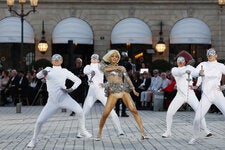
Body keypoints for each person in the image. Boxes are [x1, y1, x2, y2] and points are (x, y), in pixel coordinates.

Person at [27, 54, 92, 148]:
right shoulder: (48, 69)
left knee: (80, 111)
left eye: (58, 59)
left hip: (64, 98)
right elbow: (38, 76)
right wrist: (43, 72)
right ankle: (34, 139)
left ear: (61, 61)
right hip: (52, 102)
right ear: (52, 60)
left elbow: (78, 80)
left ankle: (82, 130)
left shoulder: (64, 71)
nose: (56, 60)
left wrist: (71, 89)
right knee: (40, 121)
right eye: (54, 59)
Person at [95, 49, 148, 140]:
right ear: (109, 57)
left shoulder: (122, 68)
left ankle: (143, 132)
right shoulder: (105, 66)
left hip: (123, 90)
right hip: (113, 92)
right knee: (105, 114)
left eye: (117, 56)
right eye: (113, 56)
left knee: (133, 110)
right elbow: (103, 69)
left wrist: (133, 89)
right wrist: (117, 68)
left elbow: (127, 78)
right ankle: (99, 133)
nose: (115, 58)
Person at [162, 56, 211, 139]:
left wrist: (200, 72)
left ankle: (206, 130)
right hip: (180, 95)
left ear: (185, 62)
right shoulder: (174, 69)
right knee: (170, 112)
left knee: (199, 111)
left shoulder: (190, 67)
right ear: (177, 62)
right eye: (179, 61)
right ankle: (168, 131)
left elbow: (196, 73)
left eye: (182, 61)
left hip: (190, 94)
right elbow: (179, 73)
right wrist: (186, 70)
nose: (180, 62)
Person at [79, 54, 124, 138]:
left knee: (110, 110)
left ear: (98, 60)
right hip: (91, 92)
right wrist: (91, 72)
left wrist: (105, 84)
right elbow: (85, 72)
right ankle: (80, 131)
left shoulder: (101, 66)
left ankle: (119, 130)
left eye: (95, 58)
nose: (93, 59)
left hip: (100, 91)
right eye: (92, 57)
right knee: (84, 112)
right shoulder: (87, 66)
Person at [189, 48, 225, 144]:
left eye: (212, 53)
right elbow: (193, 72)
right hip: (206, 96)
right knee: (197, 118)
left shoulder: (220, 66)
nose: (210, 55)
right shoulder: (203, 64)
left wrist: (223, 87)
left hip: (217, 94)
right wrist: (198, 73)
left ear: (216, 55)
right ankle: (195, 136)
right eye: (209, 53)